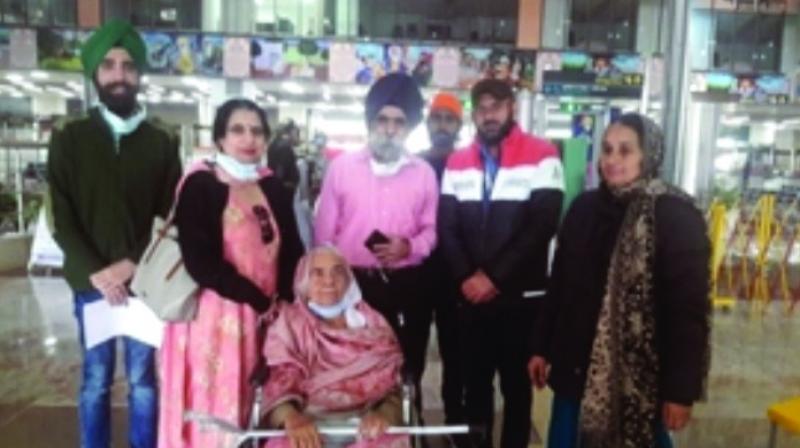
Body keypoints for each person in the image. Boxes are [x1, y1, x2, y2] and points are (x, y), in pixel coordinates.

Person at [528, 113, 711, 448]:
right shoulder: (584, 209)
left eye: (625, 151)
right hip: (574, 370)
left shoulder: (674, 215)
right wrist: (540, 346)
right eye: (607, 150)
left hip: (638, 385)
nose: (612, 160)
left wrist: (680, 391)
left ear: (648, 155)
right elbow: (560, 284)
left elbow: (687, 313)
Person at [47, 19, 182, 448]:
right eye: (109, 65)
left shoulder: (161, 141)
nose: (119, 74)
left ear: (139, 75)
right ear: (95, 75)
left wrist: (130, 265)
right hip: (92, 287)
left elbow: (171, 215)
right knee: (96, 380)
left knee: (143, 381)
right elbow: (61, 216)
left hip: (144, 282)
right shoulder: (70, 139)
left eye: (127, 66)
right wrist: (96, 273)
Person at [158, 99, 304, 447]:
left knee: (256, 398)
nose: (248, 138)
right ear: (220, 138)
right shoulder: (200, 184)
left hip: (266, 318)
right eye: (237, 130)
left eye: (256, 131)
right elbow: (200, 262)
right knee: (217, 405)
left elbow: (293, 249)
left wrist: (282, 299)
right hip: (215, 317)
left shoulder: (270, 185)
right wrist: (256, 299)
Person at [438, 79, 564, 448]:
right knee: (474, 388)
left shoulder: (542, 154)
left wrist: (492, 277)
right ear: (474, 114)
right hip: (472, 301)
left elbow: (543, 224)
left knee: (516, 391)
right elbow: (447, 227)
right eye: (481, 108)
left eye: (496, 106)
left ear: (511, 108)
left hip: (520, 300)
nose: (488, 115)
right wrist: (466, 277)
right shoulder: (458, 162)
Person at [315, 73, 438, 414]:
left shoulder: (424, 174)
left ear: (410, 127)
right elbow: (323, 238)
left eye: (399, 122)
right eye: (382, 119)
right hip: (354, 288)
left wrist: (409, 247)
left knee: (406, 368)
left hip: (408, 290)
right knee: (355, 368)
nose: (389, 128)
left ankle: (406, 429)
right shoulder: (341, 169)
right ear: (370, 122)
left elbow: (431, 232)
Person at [261, 246, 408, 448]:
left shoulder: (372, 322)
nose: (329, 280)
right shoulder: (289, 324)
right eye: (317, 273)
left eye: (337, 272)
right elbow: (279, 380)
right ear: (303, 281)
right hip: (307, 418)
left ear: (348, 279)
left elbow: (393, 386)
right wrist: (292, 418)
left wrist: (384, 414)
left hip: (366, 419)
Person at [419, 92, 466, 432]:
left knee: (456, 352)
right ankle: (412, 419)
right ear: (426, 123)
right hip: (417, 273)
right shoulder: (414, 166)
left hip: (457, 275)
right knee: (411, 352)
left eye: (449, 119)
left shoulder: (468, 166)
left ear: (460, 126)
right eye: (437, 118)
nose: (442, 125)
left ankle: (454, 418)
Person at [267, 120, 301, 191]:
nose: (297, 136)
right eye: (296, 133)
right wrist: (283, 184)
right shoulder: (285, 147)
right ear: (291, 132)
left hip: (276, 185)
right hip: (283, 188)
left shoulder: (274, 143)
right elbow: (280, 169)